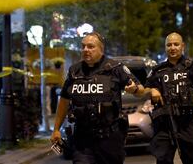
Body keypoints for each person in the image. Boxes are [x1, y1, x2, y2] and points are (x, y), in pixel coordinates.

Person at [50, 31, 144, 164]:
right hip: (82, 140)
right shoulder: (74, 71)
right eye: (83, 46)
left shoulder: (116, 68)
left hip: (109, 139)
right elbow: (64, 100)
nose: (85, 50)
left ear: (101, 49)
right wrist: (56, 129)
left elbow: (141, 90)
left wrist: (134, 89)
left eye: (90, 46)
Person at [145, 32, 193, 164]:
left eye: (176, 44)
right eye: (169, 45)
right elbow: (143, 89)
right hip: (164, 122)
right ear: (165, 47)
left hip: (187, 120)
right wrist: (152, 90)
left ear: (182, 46)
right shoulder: (158, 70)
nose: (172, 47)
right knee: (162, 158)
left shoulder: (191, 66)